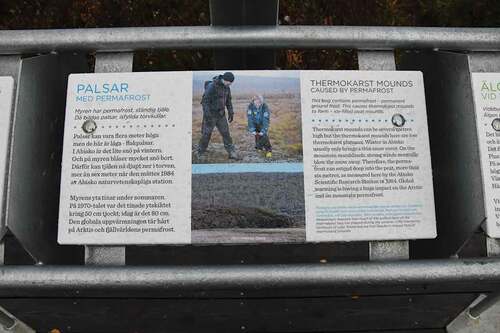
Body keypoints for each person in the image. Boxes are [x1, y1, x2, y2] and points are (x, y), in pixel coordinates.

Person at [197, 72, 238, 160]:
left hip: (221, 115)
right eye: (229, 82)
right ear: (225, 79)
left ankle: (231, 152)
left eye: (231, 83)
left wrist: (231, 112)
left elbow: (228, 101)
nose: (230, 84)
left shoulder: (227, 88)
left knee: (226, 133)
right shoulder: (212, 86)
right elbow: (205, 101)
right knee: (206, 134)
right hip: (210, 115)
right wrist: (207, 115)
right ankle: (200, 152)